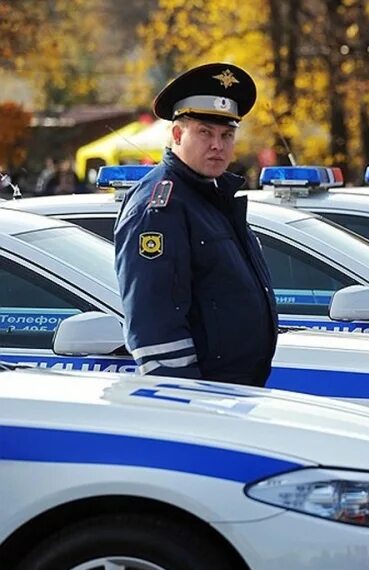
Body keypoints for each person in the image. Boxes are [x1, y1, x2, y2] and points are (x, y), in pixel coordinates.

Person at [114, 63, 278, 385]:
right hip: (203, 397)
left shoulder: (210, 196)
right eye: (205, 132)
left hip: (231, 391)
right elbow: (153, 322)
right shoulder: (161, 206)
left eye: (226, 134)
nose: (218, 144)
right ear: (177, 134)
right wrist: (186, 401)